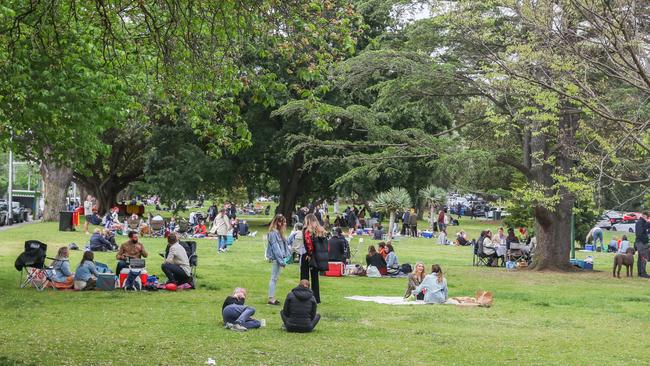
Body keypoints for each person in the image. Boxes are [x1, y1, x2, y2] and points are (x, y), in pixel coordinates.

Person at [301, 213, 328, 303]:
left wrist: (309, 254)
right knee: (315, 278)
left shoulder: (306, 230)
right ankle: (316, 298)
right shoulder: (320, 230)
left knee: (304, 276)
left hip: (308, 255)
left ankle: (304, 296)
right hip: (317, 256)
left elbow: (307, 243)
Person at [266, 214, 290, 305]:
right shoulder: (273, 234)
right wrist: (281, 261)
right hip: (277, 259)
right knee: (273, 278)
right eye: (284, 222)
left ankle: (272, 297)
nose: (285, 224)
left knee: (275, 278)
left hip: (280, 258)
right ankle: (271, 298)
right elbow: (276, 249)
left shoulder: (279, 233)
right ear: (279, 223)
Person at [635, 212, 650, 278]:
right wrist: (644, 241)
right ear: (644, 216)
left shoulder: (642, 223)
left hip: (641, 242)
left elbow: (646, 228)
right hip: (641, 243)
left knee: (641, 258)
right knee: (643, 257)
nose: (648, 219)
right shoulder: (640, 222)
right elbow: (639, 233)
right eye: (647, 217)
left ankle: (640, 273)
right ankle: (643, 273)